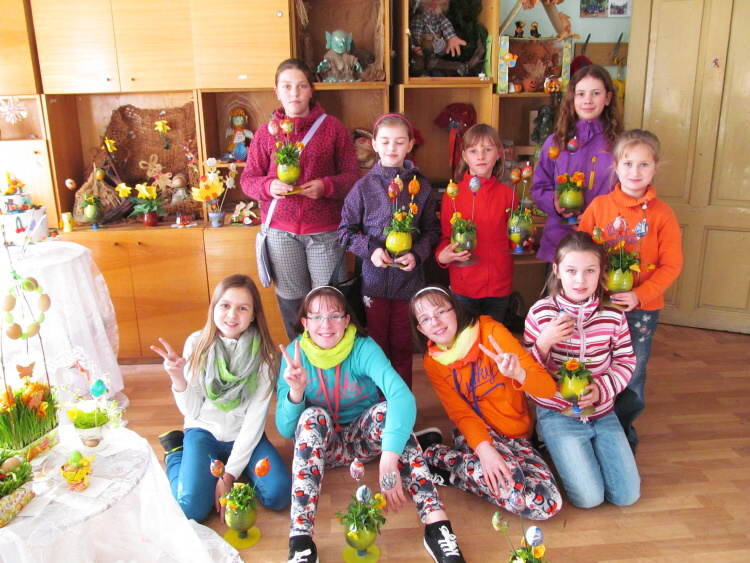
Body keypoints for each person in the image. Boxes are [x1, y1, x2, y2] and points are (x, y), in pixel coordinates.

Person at [277, 286, 466, 563]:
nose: (326, 325)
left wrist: (388, 459)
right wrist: (296, 392)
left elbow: (401, 396)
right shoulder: (294, 355)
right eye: (316, 317)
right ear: (305, 323)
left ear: (347, 320)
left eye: (334, 316)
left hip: (361, 441)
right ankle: (301, 541)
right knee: (311, 416)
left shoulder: (363, 347)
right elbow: (285, 429)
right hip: (322, 449)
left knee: (390, 412)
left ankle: (438, 528)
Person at [410, 287, 562, 520]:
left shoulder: (490, 332)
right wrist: (485, 449)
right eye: (425, 319)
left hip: (516, 434)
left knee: (548, 505)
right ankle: (444, 456)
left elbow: (548, 389)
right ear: (421, 328)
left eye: (440, 312)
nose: (435, 322)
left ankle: (444, 464)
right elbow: (460, 412)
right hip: (476, 435)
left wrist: (519, 374)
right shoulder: (432, 361)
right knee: (513, 483)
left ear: (455, 309)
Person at [151, 274, 291, 522]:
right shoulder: (197, 343)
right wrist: (177, 378)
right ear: (214, 308)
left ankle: (230, 464)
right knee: (190, 509)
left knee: (279, 494)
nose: (232, 315)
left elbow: (254, 422)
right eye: (225, 305)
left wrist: (228, 477)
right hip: (203, 432)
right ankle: (175, 453)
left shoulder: (266, 356)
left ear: (253, 315)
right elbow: (192, 412)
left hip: (244, 434)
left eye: (242, 308)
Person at [578, 129, 683, 452]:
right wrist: (595, 283)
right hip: (600, 305)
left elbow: (672, 265)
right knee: (594, 362)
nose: (635, 172)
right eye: (628, 164)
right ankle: (590, 421)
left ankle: (622, 429)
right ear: (616, 166)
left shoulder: (663, 214)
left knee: (633, 370)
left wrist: (641, 294)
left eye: (643, 165)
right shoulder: (599, 207)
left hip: (642, 310)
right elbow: (581, 251)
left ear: (655, 168)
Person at [241, 58, 360, 339]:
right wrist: (269, 186)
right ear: (277, 92)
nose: (294, 93)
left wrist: (326, 186)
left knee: (331, 303)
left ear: (311, 90)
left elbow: (353, 176)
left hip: (325, 233)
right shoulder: (265, 133)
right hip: (280, 234)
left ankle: (335, 359)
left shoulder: (332, 128)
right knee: (293, 305)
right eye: (286, 86)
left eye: (301, 86)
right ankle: (300, 358)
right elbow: (247, 180)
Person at [523, 231, 640, 508]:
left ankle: (590, 447)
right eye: (571, 270)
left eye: (589, 270)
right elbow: (525, 372)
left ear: (601, 273)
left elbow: (625, 360)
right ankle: (545, 434)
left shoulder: (613, 315)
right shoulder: (540, 313)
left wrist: (601, 390)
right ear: (556, 271)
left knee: (627, 496)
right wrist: (543, 343)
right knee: (588, 499)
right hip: (557, 412)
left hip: (602, 411)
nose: (580, 280)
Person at [339, 113, 441, 388]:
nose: (392, 148)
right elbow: (345, 231)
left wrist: (417, 254)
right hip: (373, 283)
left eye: (399, 141)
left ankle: (400, 401)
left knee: (403, 345)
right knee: (375, 346)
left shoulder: (421, 187)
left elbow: (432, 230)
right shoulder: (363, 187)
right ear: (374, 144)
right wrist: (371, 249)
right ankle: (376, 403)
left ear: (410, 145)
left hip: (409, 282)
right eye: (385, 141)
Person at [531, 64, 623, 264]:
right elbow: (539, 187)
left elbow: (630, 193)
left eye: (595, 93)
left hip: (604, 242)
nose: (587, 100)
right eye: (581, 94)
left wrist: (599, 217)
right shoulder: (555, 143)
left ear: (607, 98)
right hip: (560, 243)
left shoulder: (621, 145)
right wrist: (555, 204)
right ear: (572, 98)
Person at [435, 123, 516, 323]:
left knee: (493, 336)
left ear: (498, 153)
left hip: (499, 284)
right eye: (473, 151)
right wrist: (442, 257)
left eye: (487, 149)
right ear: (464, 156)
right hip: (465, 284)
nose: (480, 156)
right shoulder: (453, 194)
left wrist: (523, 241)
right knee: (467, 336)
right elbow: (446, 237)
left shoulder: (508, 194)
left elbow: (514, 238)